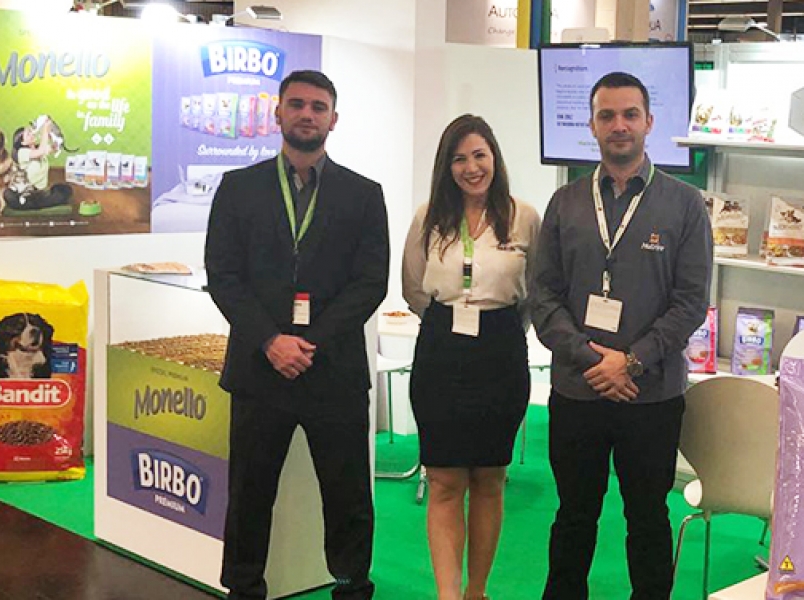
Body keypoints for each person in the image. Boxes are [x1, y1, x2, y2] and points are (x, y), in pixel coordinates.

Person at [205, 69, 389, 600]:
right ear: (278, 113)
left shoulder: (363, 194)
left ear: (334, 119)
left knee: (348, 499)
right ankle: (244, 589)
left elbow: (370, 282)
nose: (308, 114)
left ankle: (351, 588)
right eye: (298, 104)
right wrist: (271, 341)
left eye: (318, 107)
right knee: (249, 495)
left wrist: (312, 344)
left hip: (333, 372)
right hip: (260, 371)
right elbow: (223, 275)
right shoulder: (238, 188)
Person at [528, 72, 713, 599]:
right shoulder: (565, 203)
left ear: (649, 122)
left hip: (649, 395)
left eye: (630, 114)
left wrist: (630, 361)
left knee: (648, 516)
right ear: (591, 125)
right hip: (578, 390)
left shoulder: (685, 204)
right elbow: (543, 297)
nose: (619, 125)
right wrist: (593, 360)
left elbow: (690, 302)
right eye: (606, 115)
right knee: (573, 514)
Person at [401, 114, 541, 600]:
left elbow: (536, 290)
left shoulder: (523, 216)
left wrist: (498, 326)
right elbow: (413, 287)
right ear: (447, 166)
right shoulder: (429, 216)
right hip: (441, 351)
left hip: (501, 351)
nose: (471, 167)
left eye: (479, 155)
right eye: (459, 159)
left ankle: (476, 591)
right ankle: (448, 595)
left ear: (494, 158)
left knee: (489, 478)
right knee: (443, 480)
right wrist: (449, 320)